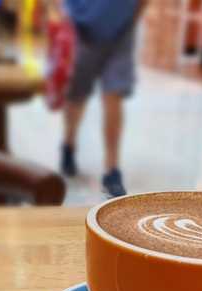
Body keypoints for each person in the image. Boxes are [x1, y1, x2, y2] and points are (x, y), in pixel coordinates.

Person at [60, 0, 146, 197]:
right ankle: (68, 144)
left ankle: (112, 169)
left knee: (113, 95)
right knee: (77, 96)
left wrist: (130, 19)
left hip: (121, 31)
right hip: (81, 28)